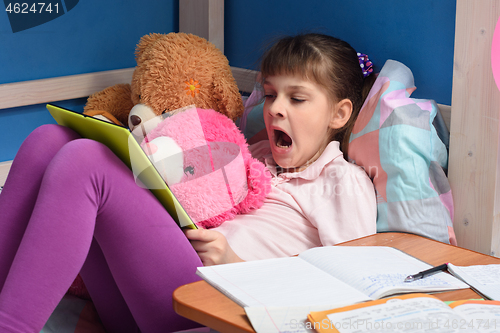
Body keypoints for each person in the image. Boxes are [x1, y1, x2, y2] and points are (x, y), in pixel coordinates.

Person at [0, 33, 377, 333]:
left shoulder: (340, 179)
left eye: (297, 99)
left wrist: (235, 263)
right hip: (145, 292)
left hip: (213, 309)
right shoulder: (253, 152)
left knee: (84, 162)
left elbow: (351, 289)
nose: (276, 108)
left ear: (339, 113)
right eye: (272, 94)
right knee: (48, 140)